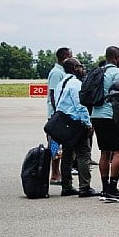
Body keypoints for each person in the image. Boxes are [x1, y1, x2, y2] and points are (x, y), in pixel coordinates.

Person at [55, 58, 98, 197]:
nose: (82, 69)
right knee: (83, 154)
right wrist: (88, 123)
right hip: (76, 123)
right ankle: (84, 187)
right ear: (74, 67)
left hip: (64, 123)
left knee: (67, 155)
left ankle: (66, 186)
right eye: (80, 66)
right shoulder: (75, 84)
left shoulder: (61, 83)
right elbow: (80, 105)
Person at [90, 46, 119, 202]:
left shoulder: (97, 71)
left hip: (96, 115)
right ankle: (113, 188)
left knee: (105, 152)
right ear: (117, 57)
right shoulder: (117, 73)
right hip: (111, 116)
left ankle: (105, 189)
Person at [47, 47, 72, 184]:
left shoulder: (61, 71)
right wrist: (58, 114)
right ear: (65, 56)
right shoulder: (57, 73)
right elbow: (53, 94)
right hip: (56, 116)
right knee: (55, 145)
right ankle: (55, 174)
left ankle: (58, 172)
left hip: (60, 115)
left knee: (59, 146)